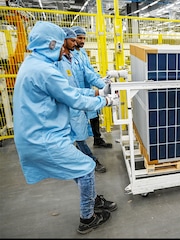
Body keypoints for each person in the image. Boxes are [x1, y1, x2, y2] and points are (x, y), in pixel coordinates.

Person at [13, 21, 118, 234]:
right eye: (62, 44)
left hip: (38, 134)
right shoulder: (45, 71)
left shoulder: (33, 63)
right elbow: (74, 99)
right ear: (50, 44)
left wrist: (96, 93)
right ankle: (87, 218)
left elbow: (70, 90)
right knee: (87, 168)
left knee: (78, 168)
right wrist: (106, 101)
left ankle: (93, 200)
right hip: (43, 139)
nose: (65, 48)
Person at [57, 27, 108, 173]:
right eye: (74, 39)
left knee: (80, 130)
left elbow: (88, 72)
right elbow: (68, 90)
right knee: (77, 134)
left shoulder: (74, 57)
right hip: (71, 102)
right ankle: (90, 160)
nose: (77, 42)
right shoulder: (59, 62)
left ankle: (82, 155)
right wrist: (98, 93)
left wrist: (104, 85)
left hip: (81, 97)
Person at [71, 26, 115, 149]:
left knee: (94, 113)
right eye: (79, 38)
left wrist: (103, 80)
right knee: (78, 118)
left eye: (84, 38)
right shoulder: (70, 55)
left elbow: (90, 70)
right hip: (78, 89)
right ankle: (80, 147)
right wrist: (103, 86)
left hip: (88, 88)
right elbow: (88, 74)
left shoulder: (83, 52)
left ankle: (97, 139)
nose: (82, 41)